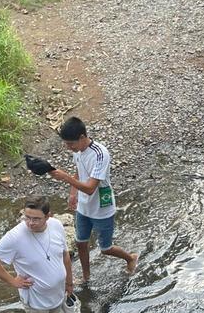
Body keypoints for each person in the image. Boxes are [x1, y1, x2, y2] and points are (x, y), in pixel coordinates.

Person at [47, 116, 137, 283]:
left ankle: (130, 258)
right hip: (84, 207)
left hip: (102, 207)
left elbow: (89, 188)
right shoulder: (78, 152)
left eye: (71, 144)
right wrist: (73, 193)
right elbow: (79, 172)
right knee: (81, 243)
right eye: (66, 144)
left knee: (106, 248)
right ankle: (87, 277)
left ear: (82, 137)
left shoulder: (100, 154)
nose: (68, 148)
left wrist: (66, 178)